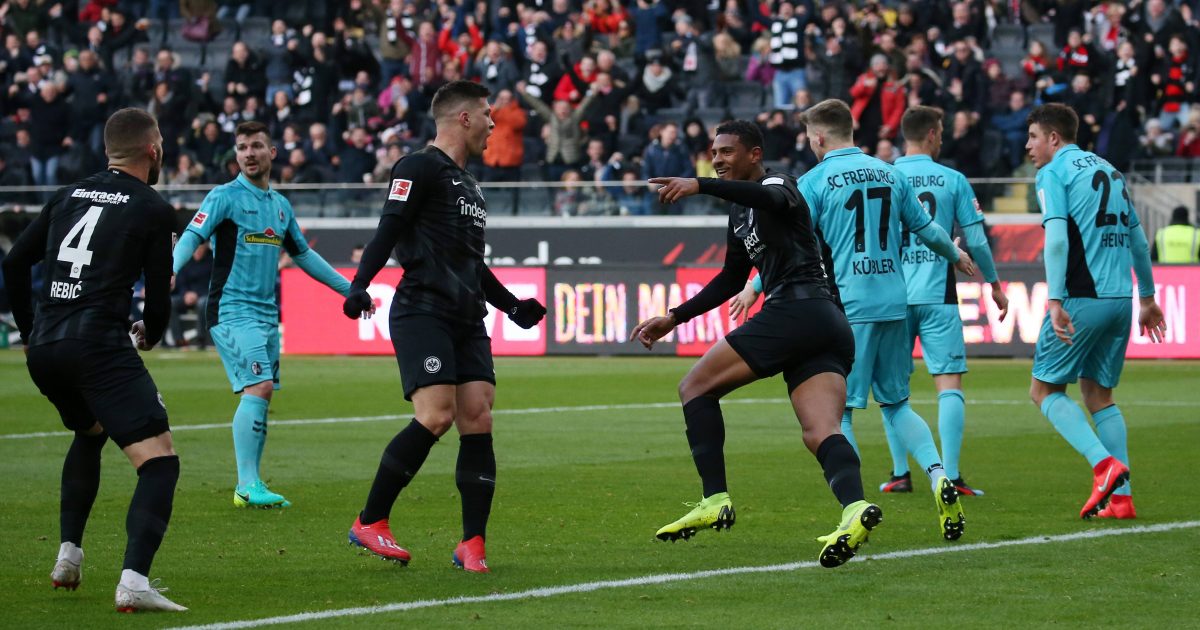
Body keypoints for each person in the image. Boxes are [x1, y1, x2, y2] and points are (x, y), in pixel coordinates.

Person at [631, 120, 881, 569]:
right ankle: (855, 510)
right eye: (714, 152)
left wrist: (702, 185)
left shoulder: (777, 182)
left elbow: (773, 198)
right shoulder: (739, 211)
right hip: (826, 323)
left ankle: (714, 498)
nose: (719, 159)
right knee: (820, 430)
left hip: (797, 311)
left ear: (754, 153)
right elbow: (731, 278)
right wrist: (674, 316)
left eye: (727, 151)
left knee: (694, 388)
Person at [735, 99, 976, 541]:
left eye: (810, 138)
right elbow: (928, 230)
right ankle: (939, 475)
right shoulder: (891, 172)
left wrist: (753, 287)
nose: (809, 145)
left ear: (821, 137)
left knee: (838, 409)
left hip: (846, 305)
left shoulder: (813, 181)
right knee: (897, 403)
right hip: (894, 302)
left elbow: (781, 241)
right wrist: (956, 256)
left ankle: (854, 507)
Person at [340, 80, 546, 573]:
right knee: (436, 416)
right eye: (488, 115)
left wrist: (512, 306)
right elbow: (388, 228)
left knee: (478, 417)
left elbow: (473, 263)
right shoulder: (417, 167)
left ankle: (471, 544)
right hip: (422, 310)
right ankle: (370, 521)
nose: (494, 124)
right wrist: (358, 285)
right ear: (464, 119)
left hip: (466, 316)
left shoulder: (471, 185)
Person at [0, 108, 186, 612]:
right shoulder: (151, 207)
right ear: (153, 149)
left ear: (109, 150)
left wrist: (29, 330)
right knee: (160, 462)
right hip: (98, 345)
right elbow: (158, 296)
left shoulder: (67, 195)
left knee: (90, 431)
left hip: (47, 348)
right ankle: (133, 581)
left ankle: (68, 555)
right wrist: (154, 332)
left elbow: (15, 261)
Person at [172, 121, 352, 509]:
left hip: (266, 316)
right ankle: (247, 484)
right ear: (236, 156)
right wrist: (171, 267)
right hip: (232, 310)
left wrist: (350, 290)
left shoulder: (280, 206)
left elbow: (303, 255)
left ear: (272, 153)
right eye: (241, 147)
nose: (248, 153)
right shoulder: (224, 197)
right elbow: (192, 234)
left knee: (262, 394)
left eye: (256, 146)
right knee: (260, 388)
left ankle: (249, 484)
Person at [1025, 104, 1168, 520]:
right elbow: (1139, 243)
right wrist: (1147, 298)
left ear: (1054, 138)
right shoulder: (1110, 170)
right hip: (1119, 301)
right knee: (1099, 395)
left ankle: (1104, 467)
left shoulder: (1053, 172)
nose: (1029, 146)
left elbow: (1056, 241)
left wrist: (1054, 301)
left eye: (1034, 136)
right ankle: (1122, 500)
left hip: (1080, 297)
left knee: (1043, 391)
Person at [878, 106, 1009, 496]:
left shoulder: (883, 175)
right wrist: (994, 284)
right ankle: (949, 475)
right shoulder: (953, 179)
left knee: (891, 388)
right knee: (948, 384)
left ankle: (901, 473)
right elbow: (978, 240)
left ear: (904, 135)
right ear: (934, 134)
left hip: (891, 296)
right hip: (939, 295)